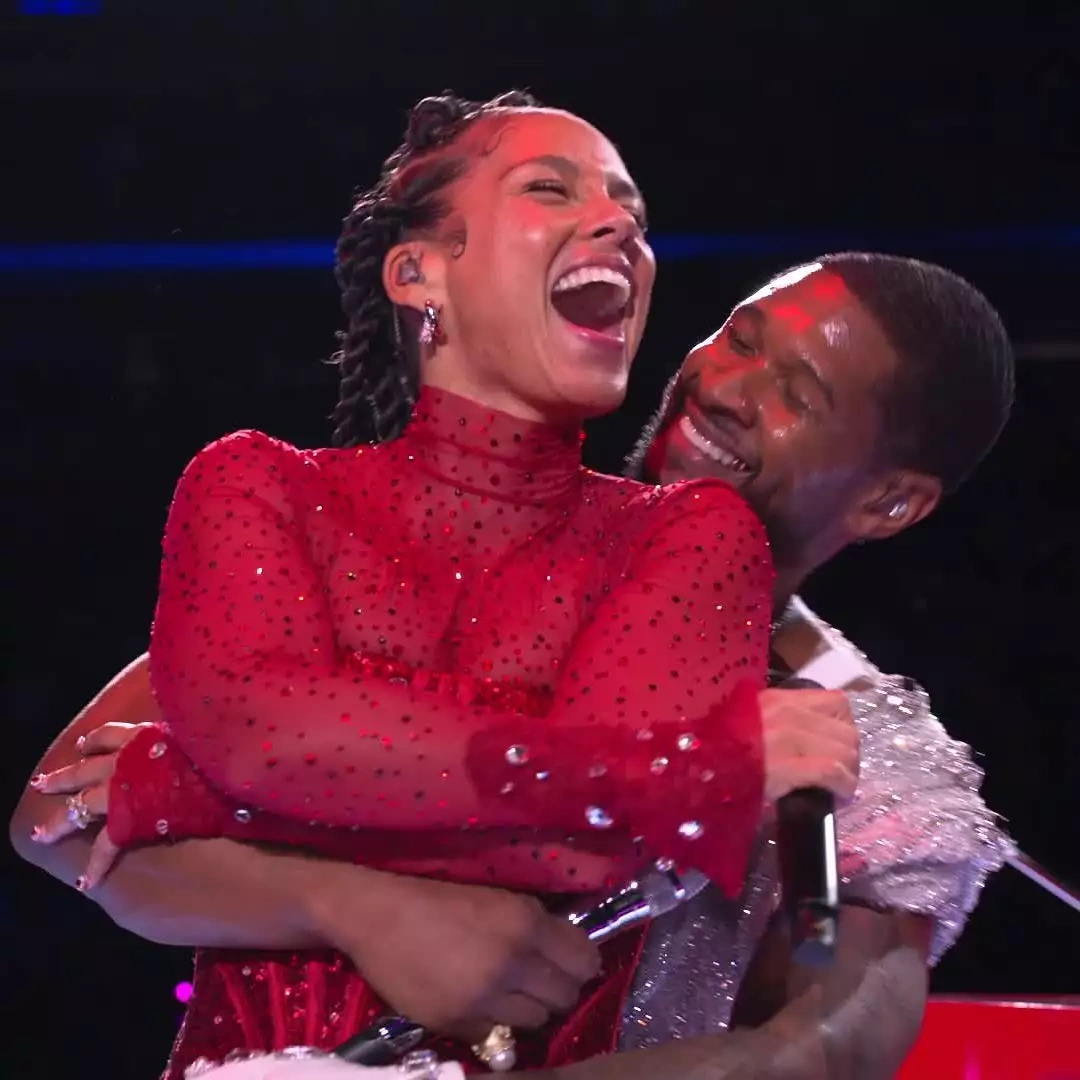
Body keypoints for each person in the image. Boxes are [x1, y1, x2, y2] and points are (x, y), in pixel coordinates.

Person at [10, 90, 861, 1080]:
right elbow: (228, 746)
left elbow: (591, 845)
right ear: (419, 272)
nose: (619, 223)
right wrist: (358, 901)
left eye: (633, 209)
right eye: (552, 189)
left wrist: (190, 788)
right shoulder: (260, 488)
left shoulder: (689, 535)